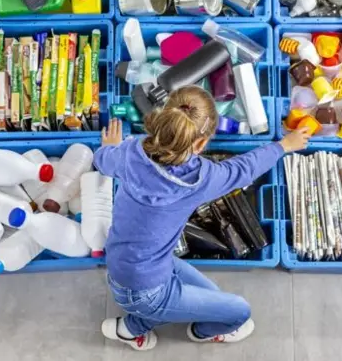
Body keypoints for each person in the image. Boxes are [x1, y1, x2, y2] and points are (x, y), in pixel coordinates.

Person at [93, 85, 310, 351]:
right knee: (240, 312)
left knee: (213, 297)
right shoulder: (199, 179)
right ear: (200, 143)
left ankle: (131, 328)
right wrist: (283, 146)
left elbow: (102, 161)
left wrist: (109, 149)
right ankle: (200, 331)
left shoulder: (130, 152)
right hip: (145, 288)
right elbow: (244, 169)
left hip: (126, 266)